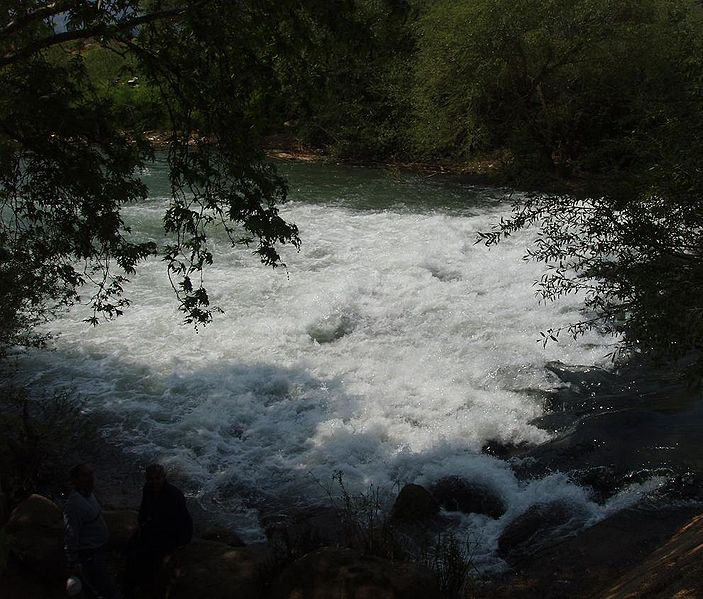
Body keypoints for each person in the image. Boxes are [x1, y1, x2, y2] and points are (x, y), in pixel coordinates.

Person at [123, 464, 193, 597]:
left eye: (158, 478)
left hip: (172, 531)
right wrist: (140, 526)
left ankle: (144, 587)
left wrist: (179, 545)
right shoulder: (148, 489)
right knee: (130, 549)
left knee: (147, 556)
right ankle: (129, 587)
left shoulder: (174, 495)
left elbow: (183, 522)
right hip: (156, 525)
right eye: (151, 479)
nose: (155, 482)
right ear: (147, 479)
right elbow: (144, 511)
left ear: (164, 478)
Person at [63, 463, 119, 599]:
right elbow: (71, 534)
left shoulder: (88, 494)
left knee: (102, 586)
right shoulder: (74, 505)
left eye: (91, 474)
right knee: (104, 590)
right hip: (90, 556)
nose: (90, 478)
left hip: (99, 550)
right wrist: (73, 561)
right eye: (85, 475)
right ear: (75, 480)